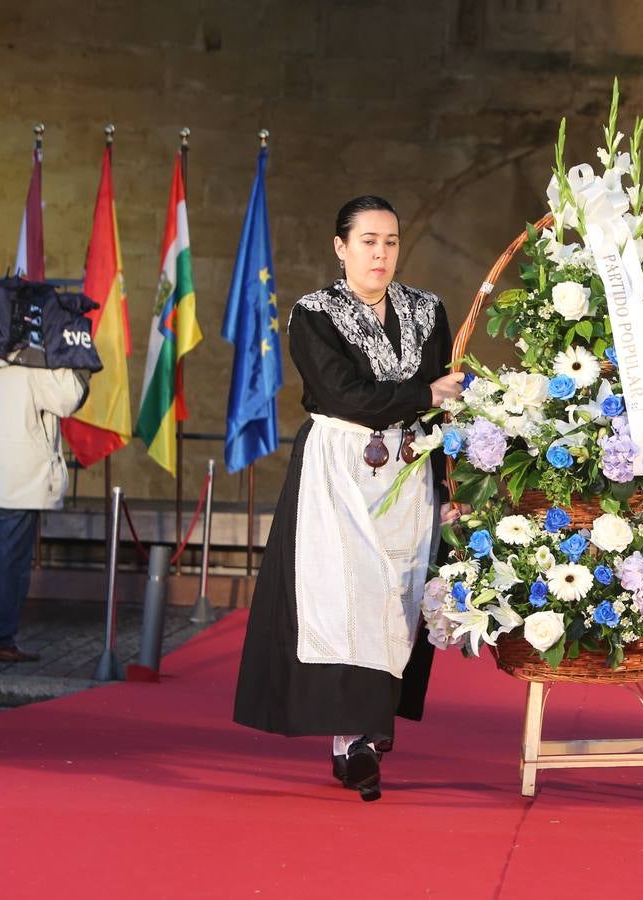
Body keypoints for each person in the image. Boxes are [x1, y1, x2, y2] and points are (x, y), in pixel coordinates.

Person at [233, 196, 466, 801]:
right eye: (367, 241)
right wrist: (425, 393)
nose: (380, 254)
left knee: (398, 594)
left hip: (410, 468)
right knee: (348, 595)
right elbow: (342, 393)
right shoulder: (314, 315)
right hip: (341, 464)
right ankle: (354, 740)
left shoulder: (428, 309)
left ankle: (365, 725)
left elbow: (448, 399)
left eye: (390, 241)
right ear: (341, 247)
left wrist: (451, 483)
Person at [0, 353, 89, 662]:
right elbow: (68, 398)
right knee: (11, 562)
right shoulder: (32, 364)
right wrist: (82, 360)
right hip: (16, 482)